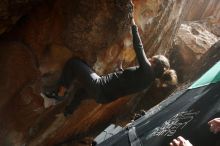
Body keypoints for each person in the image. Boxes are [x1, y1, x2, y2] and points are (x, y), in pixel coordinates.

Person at [44, 2, 177, 105]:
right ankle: (69, 111)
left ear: (154, 63)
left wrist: (133, 24)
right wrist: (120, 69)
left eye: (152, 58)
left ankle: (60, 95)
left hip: (100, 87)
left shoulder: (148, 71)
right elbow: (127, 84)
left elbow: (138, 47)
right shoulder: (148, 80)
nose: (149, 58)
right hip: (104, 96)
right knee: (81, 92)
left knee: (73, 63)